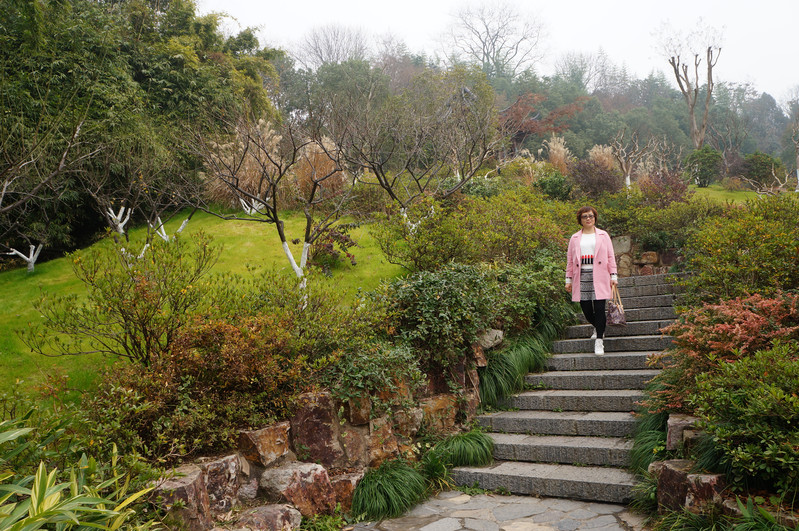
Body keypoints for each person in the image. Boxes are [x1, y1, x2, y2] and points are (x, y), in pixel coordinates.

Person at [565, 206, 618, 355]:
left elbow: (610, 256)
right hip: (581, 276)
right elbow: (570, 260)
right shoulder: (575, 238)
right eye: (584, 216)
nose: (588, 218)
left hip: (600, 275)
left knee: (600, 308)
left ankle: (599, 340)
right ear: (580, 220)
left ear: (595, 218)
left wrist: (613, 276)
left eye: (591, 216)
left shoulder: (603, 235)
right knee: (586, 309)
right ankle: (598, 326)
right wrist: (568, 279)